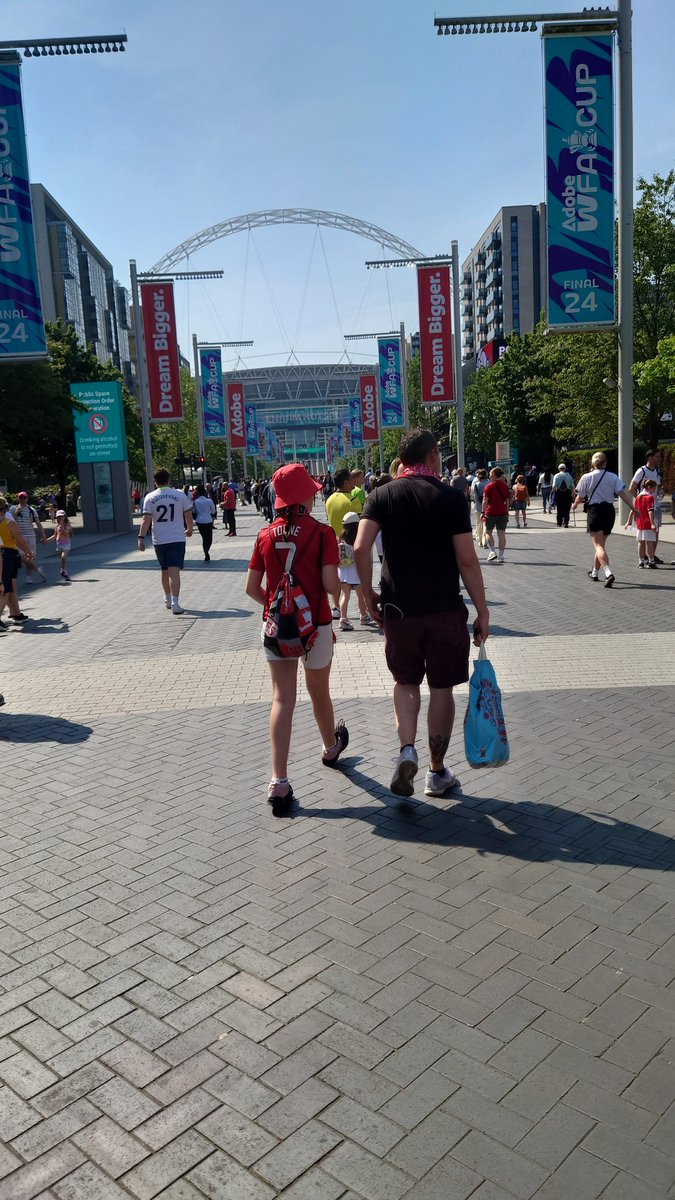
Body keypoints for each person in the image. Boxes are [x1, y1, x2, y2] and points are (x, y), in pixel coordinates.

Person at [354, 428, 489, 800]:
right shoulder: (451, 498)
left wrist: (368, 596)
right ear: (431, 455)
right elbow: (466, 559)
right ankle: (436, 770)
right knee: (441, 688)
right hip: (444, 608)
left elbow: (360, 548)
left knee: (406, 682)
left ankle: (406, 750)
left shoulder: (380, 495)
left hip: (399, 609)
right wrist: (482, 610)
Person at [245, 462, 349, 813]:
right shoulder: (322, 534)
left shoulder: (263, 536)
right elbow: (332, 586)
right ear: (305, 496)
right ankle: (330, 747)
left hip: (276, 628)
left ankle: (279, 780)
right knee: (319, 691)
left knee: (282, 700)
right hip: (315, 625)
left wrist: (277, 606)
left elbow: (251, 589)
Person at [573, 452, 637, 587]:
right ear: (605, 463)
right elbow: (622, 494)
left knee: (599, 546)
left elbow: (580, 496)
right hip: (609, 511)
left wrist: (574, 504)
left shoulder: (586, 477)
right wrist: (633, 507)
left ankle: (608, 573)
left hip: (595, 511)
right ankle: (595, 573)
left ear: (592, 463)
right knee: (601, 545)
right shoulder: (613, 477)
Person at [138, 468, 193, 614]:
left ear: (155, 482)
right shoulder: (179, 495)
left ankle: (167, 597)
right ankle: (175, 602)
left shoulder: (150, 497)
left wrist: (141, 537)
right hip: (176, 537)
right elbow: (188, 513)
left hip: (159, 539)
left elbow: (146, 519)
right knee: (174, 571)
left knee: (164, 570)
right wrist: (190, 528)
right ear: (169, 480)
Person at [325, 469, 357, 619]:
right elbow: (360, 523)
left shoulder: (329, 500)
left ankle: (336, 607)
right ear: (345, 483)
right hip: (351, 543)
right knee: (357, 578)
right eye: (351, 481)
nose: (353, 484)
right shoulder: (352, 501)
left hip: (334, 543)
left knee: (338, 577)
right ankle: (364, 609)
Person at [0, 497, 35, 626]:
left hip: (4, 554)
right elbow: (20, 540)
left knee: (12, 587)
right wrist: (28, 552)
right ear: (5, 508)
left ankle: (16, 614)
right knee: (6, 588)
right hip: (9, 555)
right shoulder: (9, 523)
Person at [337, 512, 375, 631]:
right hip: (357, 571)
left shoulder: (340, 537)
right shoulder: (358, 537)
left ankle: (343, 619)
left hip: (343, 572)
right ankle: (363, 616)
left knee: (345, 595)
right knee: (360, 595)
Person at [630, 450, 664, 564]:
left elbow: (658, 486)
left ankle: (652, 556)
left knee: (656, 531)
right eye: (657, 456)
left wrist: (660, 492)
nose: (659, 458)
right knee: (643, 533)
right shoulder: (642, 471)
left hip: (656, 505)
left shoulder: (657, 470)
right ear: (650, 457)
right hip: (645, 508)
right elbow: (631, 487)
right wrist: (640, 501)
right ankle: (644, 556)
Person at [11, 492, 47, 584]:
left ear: (27, 499)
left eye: (24, 498)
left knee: (31, 557)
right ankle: (38, 570)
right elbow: (10, 521)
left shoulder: (31, 509)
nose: (22, 500)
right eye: (20, 498)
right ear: (18, 499)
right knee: (22, 557)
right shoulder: (13, 508)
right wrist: (17, 512)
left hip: (30, 535)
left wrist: (43, 536)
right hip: (19, 536)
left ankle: (29, 577)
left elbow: (38, 523)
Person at [483, 467, 510, 563]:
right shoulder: (505, 486)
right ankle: (501, 556)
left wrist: (483, 512)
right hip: (503, 512)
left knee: (488, 532)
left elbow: (485, 501)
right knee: (501, 534)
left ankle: (492, 551)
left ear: (494, 474)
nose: (489, 476)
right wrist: (506, 512)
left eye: (490, 474)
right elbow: (507, 501)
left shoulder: (489, 486)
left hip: (491, 512)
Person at [632, 479, 659, 569]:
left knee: (640, 542)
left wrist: (629, 521)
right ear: (649, 488)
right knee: (649, 542)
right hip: (648, 523)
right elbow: (650, 511)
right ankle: (651, 561)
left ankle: (641, 562)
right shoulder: (650, 497)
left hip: (640, 523)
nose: (655, 490)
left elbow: (634, 509)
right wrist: (653, 523)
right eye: (654, 488)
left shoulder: (638, 497)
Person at [45, 511, 73, 581]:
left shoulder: (67, 525)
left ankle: (63, 570)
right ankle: (65, 572)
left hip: (66, 544)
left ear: (64, 517)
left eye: (62, 516)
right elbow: (54, 536)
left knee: (63, 557)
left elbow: (66, 534)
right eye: (59, 517)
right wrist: (46, 540)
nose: (60, 518)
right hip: (59, 544)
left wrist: (62, 527)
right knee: (62, 559)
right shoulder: (57, 526)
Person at [192, 483, 216, 562]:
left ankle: (205, 552)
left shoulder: (196, 501)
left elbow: (194, 511)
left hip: (200, 521)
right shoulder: (209, 501)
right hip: (208, 520)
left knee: (204, 537)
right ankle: (207, 550)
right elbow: (213, 511)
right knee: (209, 538)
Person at [551, 463, 574, 528]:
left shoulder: (556, 476)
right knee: (567, 508)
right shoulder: (569, 476)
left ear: (559, 469)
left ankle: (559, 522)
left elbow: (554, 487)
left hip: (559, 493)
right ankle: (566, 522)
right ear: (565, 468)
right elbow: (572, 486)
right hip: (567, 493)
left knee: (559, 508)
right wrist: (573, 494)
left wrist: (553, 493)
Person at [470, 469, 488, 546]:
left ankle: (479, 540)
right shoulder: (490, 484)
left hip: (478, 506)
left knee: (479, 523)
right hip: (487, 507)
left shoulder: (476, 485)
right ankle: (485, 541)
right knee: (486, 524)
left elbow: (472, 495)